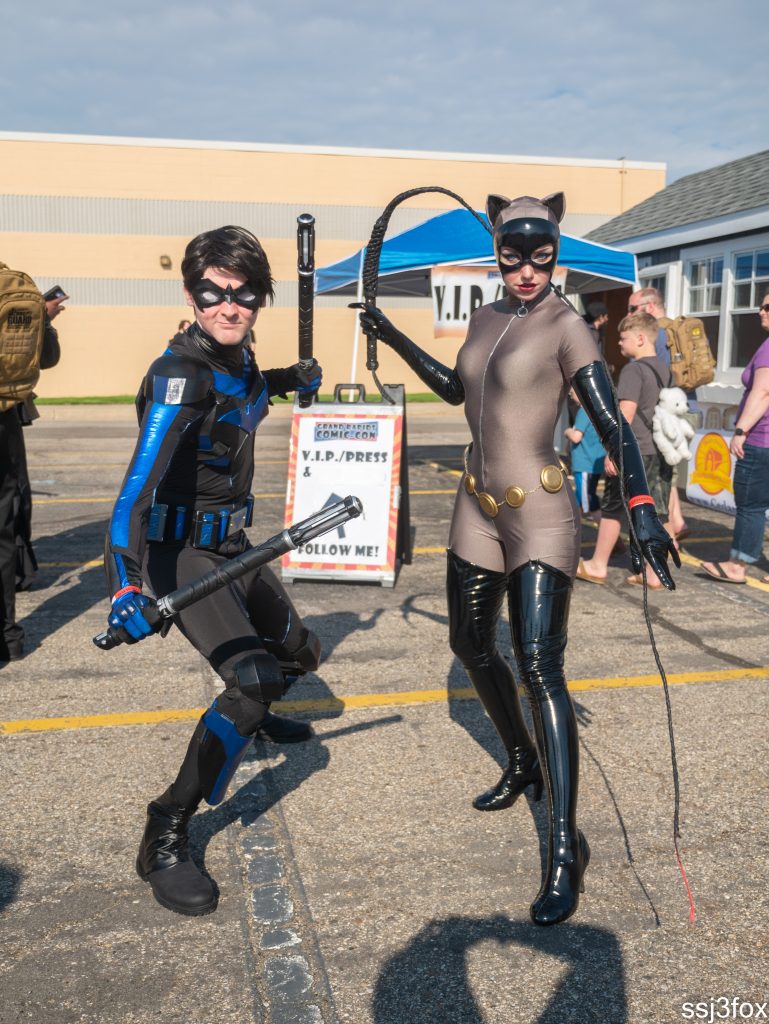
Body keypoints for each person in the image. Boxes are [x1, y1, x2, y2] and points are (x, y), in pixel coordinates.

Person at [354, 193, 678, 926]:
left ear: (554, 253)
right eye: (512, 255)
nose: (527, 270)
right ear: (495, 252)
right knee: (469, 643)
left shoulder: (567, 326)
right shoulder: (486, 315)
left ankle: (565, 848)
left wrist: (642, 508)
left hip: (538, 509)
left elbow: (608, 421)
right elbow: (456, 391)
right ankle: (522, 759)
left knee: (539, 666)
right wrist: (392, 336)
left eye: (541, 256)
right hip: (475, 503)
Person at [103, 225, 323, 916]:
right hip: (179, 553)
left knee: (299, 652)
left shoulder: (238, 357)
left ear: (260, 297)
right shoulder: (179, 376)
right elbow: (132, 495)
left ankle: (249, 717)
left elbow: (246, 392)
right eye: (213, 294)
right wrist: (125, 588)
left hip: (233, 544)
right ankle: (166, 828)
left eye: (244, 294)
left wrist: (292, 380)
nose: (229, 307)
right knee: (253, 682)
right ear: (191, 294)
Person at [578, 312, 675, 589]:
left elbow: (626, 414)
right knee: (658, 510)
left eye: (624, 338)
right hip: (658, 450)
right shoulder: (664, 369)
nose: (619, 344)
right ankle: (656, 571)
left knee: (613, 507)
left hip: (634, 451)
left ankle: (598, 564)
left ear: (641, 338)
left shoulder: (634, 370)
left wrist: (613, 452)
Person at [701, 295, 769, 584]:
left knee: (751, 504)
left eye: (767, 306)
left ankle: (737, 565)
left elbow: (763, 392)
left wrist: (741, 430)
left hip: (761, 439)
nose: (760, 311)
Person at [628, 287, 689, 539]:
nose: (629, 314)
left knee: (660, 483)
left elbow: (648, 384)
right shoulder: (674, 333)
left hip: (664, 419)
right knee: (668, 477)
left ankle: (669, 538)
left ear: (650, 307)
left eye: (633, 309)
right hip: (684, 408)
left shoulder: (654, 336)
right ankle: (677, 526)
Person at [15, 293, 64, 591]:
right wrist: (41, 318)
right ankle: (17, 573)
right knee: (13, 499)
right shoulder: (16, 293)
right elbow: (48, 357)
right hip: (6, 412)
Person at [564, 390, 604, 523]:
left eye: (572, 391)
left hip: (585, 463)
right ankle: (574, 535)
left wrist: (567, 431)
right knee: (579, 501)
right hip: (593, 462)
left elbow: (576, 437)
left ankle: (613, 541)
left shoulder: (583, 411)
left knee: (589, 501)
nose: (570, 394)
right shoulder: (595, 411)